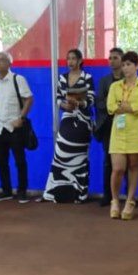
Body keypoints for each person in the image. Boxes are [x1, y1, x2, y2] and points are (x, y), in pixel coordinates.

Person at [42, 49, 95, 203]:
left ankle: (80, 194)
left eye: (73, 58)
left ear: (80, 60)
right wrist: (64, 106)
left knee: (81, 157)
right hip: (67, 118)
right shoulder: (62, 78)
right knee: (60, 154)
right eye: (68, 58)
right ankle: (55, 192)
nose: (70, 61)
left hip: (83, 120)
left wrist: (79, 103)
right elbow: (58, 98)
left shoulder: (87, 77)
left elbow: (91, 99)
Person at [107, 51, 138, 221]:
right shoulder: (114, 87)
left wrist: (125, 106)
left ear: (137, 66)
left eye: (129, 65)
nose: (125, 68)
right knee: (117, 168)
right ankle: (115, 201)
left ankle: (130, 201)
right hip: (118, 131)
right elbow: (111, 107)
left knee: (134, 166)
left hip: (137, 131)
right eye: (124, 65)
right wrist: (126, 106)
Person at [0, 51, 33, 204]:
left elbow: (29, 99)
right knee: (1, 161)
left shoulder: (18, 79)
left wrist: (21, 118)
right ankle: (6, 191)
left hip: (15, 127)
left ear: (9, 64)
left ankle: (22, 191)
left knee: (20, 161)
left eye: (1, 60)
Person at [95, 47, 125, 206]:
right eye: (110, 58)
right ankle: (108, 196)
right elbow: (98, 102)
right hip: (108, 125)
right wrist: (112, 106)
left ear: (122, 60)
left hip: (126, 125)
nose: (112, 61)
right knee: (108, 161)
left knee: (127, 162)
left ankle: (127, 196)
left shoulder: (129, 80)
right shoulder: (104, 81)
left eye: (115, 58)